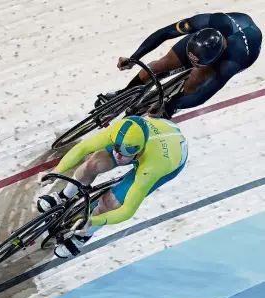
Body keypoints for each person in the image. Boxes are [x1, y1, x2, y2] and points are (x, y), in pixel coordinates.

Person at [37, 116, 188, 258]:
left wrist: (93, 222)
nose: (118, 155)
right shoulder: (123, 130)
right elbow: (83, 148)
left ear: (139, 151)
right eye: (116, 148)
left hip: (167, 158)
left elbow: (127, 211)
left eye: (124, 153)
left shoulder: (153, 168)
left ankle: (83, 236)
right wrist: (55, 172)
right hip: (157, 131)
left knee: (110, 203)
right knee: (93, 163)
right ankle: (63, 196)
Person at [95, 12, 262, 118]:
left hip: (240, 53)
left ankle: (173, 106)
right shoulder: (205, 21)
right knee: (161, 65)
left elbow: (204, 95)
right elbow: (165, 33)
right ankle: (124, 94)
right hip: (213, 38)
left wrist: (170, 106)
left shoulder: (232, 62)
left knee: (197, 78)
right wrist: (134, 58)